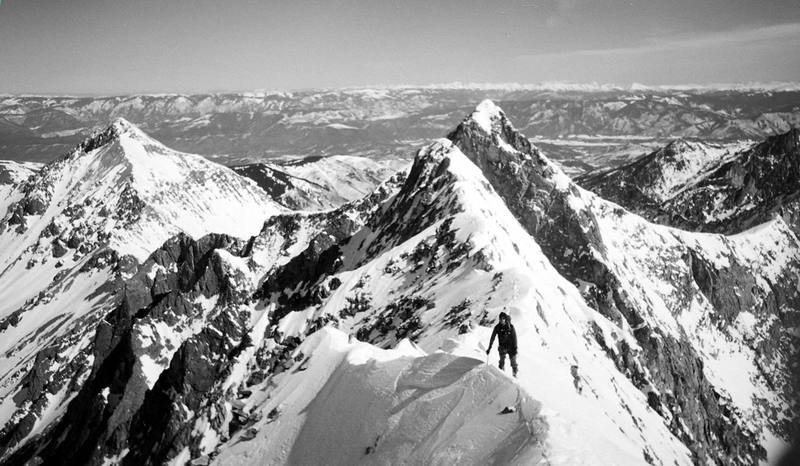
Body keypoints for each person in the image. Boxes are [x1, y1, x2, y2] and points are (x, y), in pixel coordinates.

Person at [486, 311, 518, 377]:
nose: (501, 320)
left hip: (511, 347)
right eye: (500, 319)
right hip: (502, 347)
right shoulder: (497, 327)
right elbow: (492, 338)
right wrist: (489, 348)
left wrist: (515, 348)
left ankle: (515, 375)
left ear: (505, 319)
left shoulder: (511, 327)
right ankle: (501, 376)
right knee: (501, 362)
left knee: (513, 363)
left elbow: (514, 338)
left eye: (503, 319)